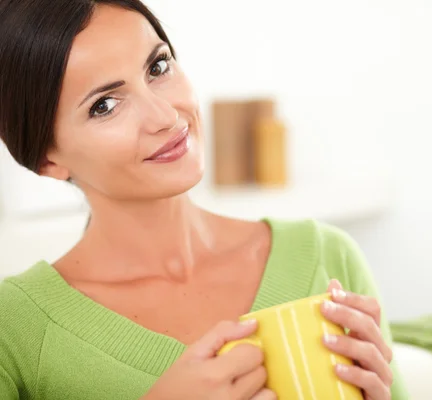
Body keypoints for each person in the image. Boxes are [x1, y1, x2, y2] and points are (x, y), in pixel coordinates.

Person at [0, 0, 408, 399]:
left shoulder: (327, 255)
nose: (165, 116)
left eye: (158, 67)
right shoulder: (14, 329)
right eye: (104, 106)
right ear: (46, 158)